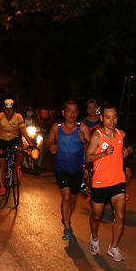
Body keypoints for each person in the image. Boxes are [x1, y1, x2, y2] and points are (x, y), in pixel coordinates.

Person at [86, 102, 131, 261]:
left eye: (114, 117)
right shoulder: (97, 136)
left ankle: (113, 246)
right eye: (107, 117)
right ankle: (95, 237)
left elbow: (124, 149)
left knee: (120, 216)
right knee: (96, 216)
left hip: (118, 181)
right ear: (101, 118)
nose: (111, 120)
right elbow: (88, 157)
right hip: (100, 183)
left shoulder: (121, 134)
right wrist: (103, 153)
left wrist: (126, 151)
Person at [45, 100, 91, 239]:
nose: (72, 114)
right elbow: (49, 141)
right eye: (69, 111)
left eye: (75, 111)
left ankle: (66, 217)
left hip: (76, 169)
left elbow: (90, 147)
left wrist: (84, 140)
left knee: (72, 198)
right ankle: (67, 227)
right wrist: (51, 146)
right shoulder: (56, 127)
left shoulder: (82, 127)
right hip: (61, 167)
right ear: (63, 112)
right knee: (65, 197)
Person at [0, 99, 31, 196]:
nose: (9, 112)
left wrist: (30, 144)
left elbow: (23, 131)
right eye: (7, 109)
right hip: (2, 140)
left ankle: (16, 166)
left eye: (11, 110)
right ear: (4, 110)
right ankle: (2, 187)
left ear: (14, 110)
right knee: (2, 163)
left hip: (13, 139)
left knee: (21, 151)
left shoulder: (18, 117)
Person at [81, 99, 101, 202]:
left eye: (94, 107)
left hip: (101, 149)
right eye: (90, 107)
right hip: (87, 150)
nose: (92, 109)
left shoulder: (102, 121)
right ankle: (88, 190)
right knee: (87, 171)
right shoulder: (84, 123)